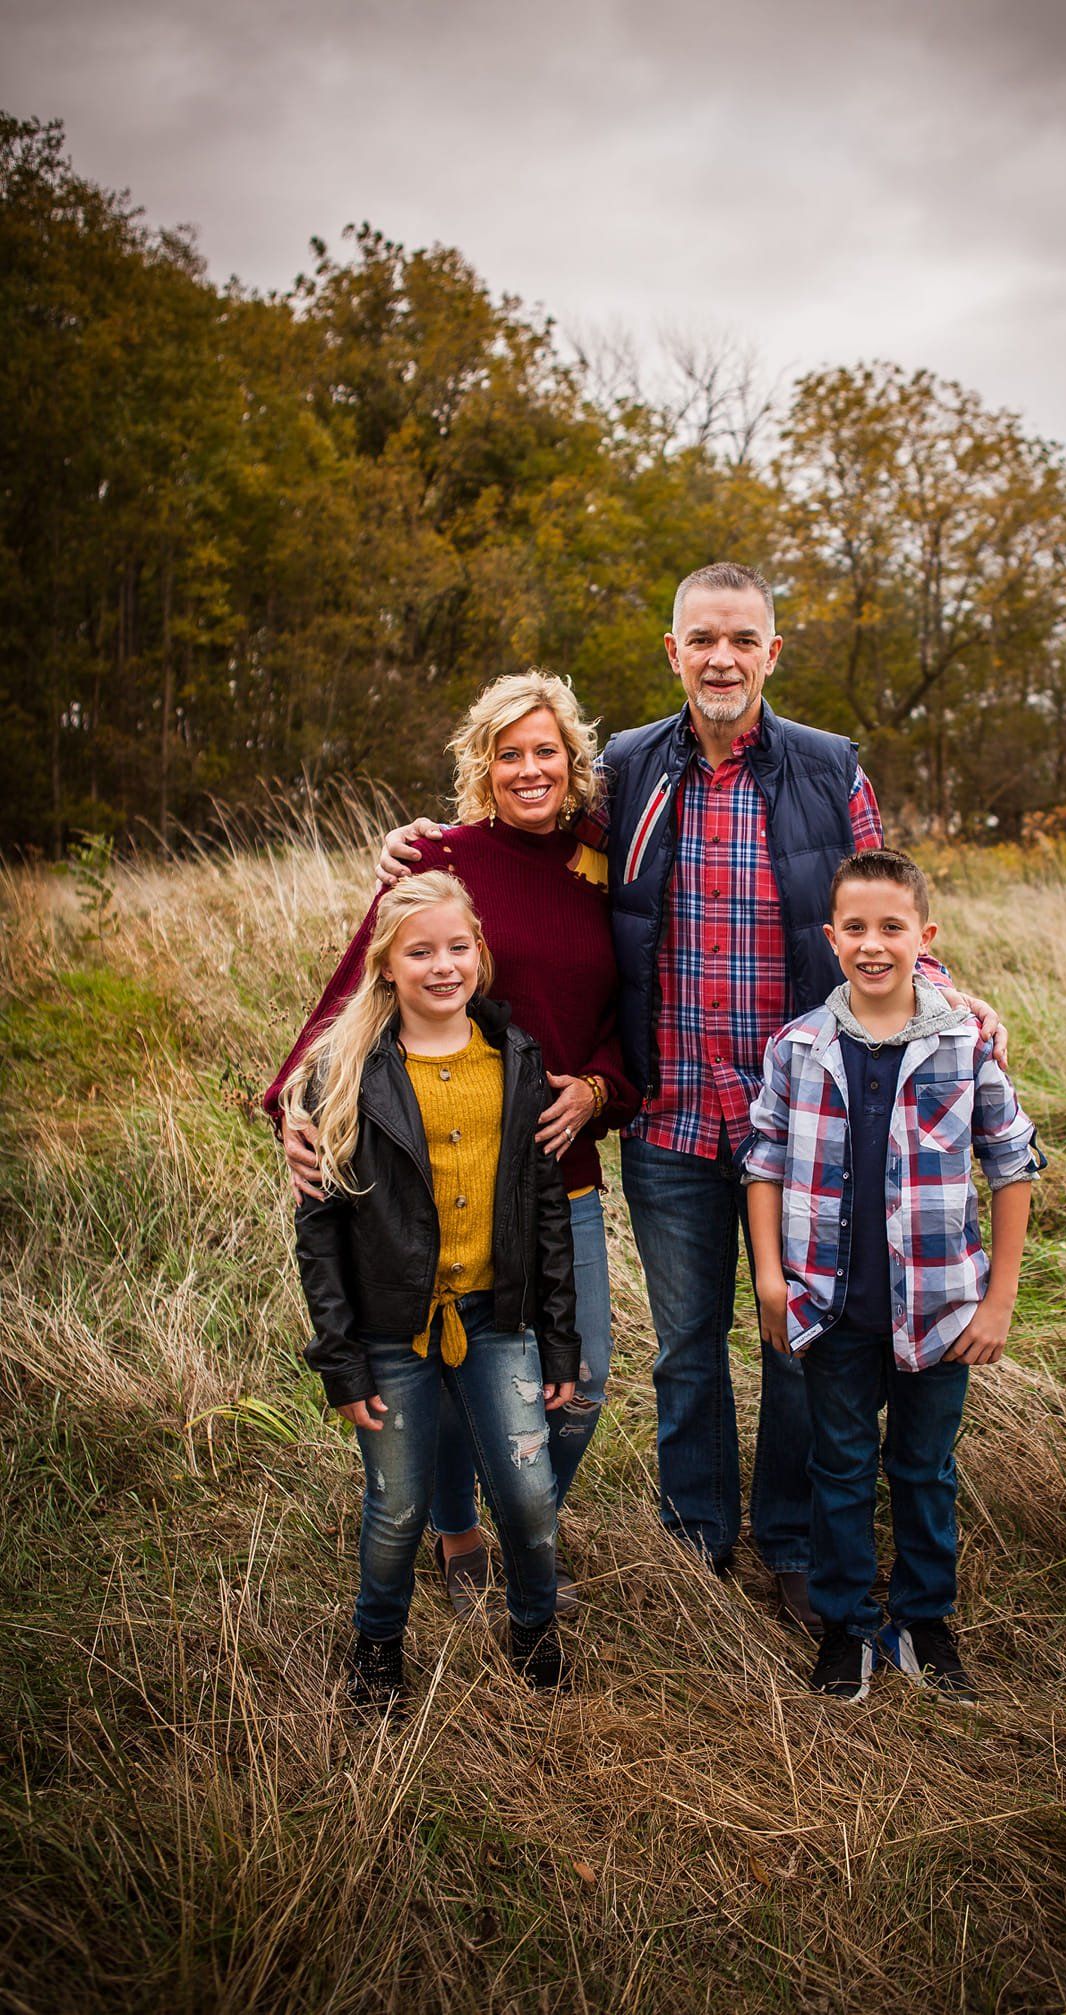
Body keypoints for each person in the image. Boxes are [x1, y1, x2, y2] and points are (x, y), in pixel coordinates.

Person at [375, 562, 1006, 1632]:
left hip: (802, 1127)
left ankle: (794, 1542)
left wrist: (948, 992)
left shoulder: (825, 766)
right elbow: (519, 822)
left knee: (794, 1341)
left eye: (741, 639)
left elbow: (876, 904)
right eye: (700, 639)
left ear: (771, 651)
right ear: (672, 652)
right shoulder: (624, 770)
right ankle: (695, 1535)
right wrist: (417, 844)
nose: (721, 658)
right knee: (682, 1346)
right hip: (668, 1114)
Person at [268, 672, 636, 1615]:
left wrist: (598, 1086)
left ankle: (521, 1516)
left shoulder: (607, 861)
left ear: (572, 760)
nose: (528, 769)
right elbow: (356, 990)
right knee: (433, 1365)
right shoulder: (439, 857)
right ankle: (456, 1526)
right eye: (508, 752)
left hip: (562, 1166)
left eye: (544, 750)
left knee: (581, 1377)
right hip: (430, 1173)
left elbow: (632, 1011)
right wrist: (294, 1108)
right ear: (481, 765)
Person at [744, 849, 1044, 1702]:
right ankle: (845, 1625)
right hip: (830, 1307)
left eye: (891, 927)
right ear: (830, 935)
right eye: (857, 929)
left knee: (922, 1466)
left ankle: (923, 1617)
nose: (873, 945)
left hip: (942, 1310)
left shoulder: (964, 1042)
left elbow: (1012, 1165)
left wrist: (998, 1298)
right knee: (838, 1465)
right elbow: (762, 1162)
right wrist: (771, 1278)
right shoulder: (798, 1047)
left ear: (925, 936)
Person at [283, 871, 580, 1706]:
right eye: (420, 951)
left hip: (497, 1318)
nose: (442, 966)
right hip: (390, 1333)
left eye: (458, 947)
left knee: (526, 1496)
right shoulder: (344, 1075)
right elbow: (321, 1232)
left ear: (480, 956)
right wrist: (340, 1359)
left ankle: (532, 1626)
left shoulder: (515, 1059)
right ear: (385, 966)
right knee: (398, 1504)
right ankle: (376, 1650)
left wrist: (559, 1338)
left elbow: (545, 1211)